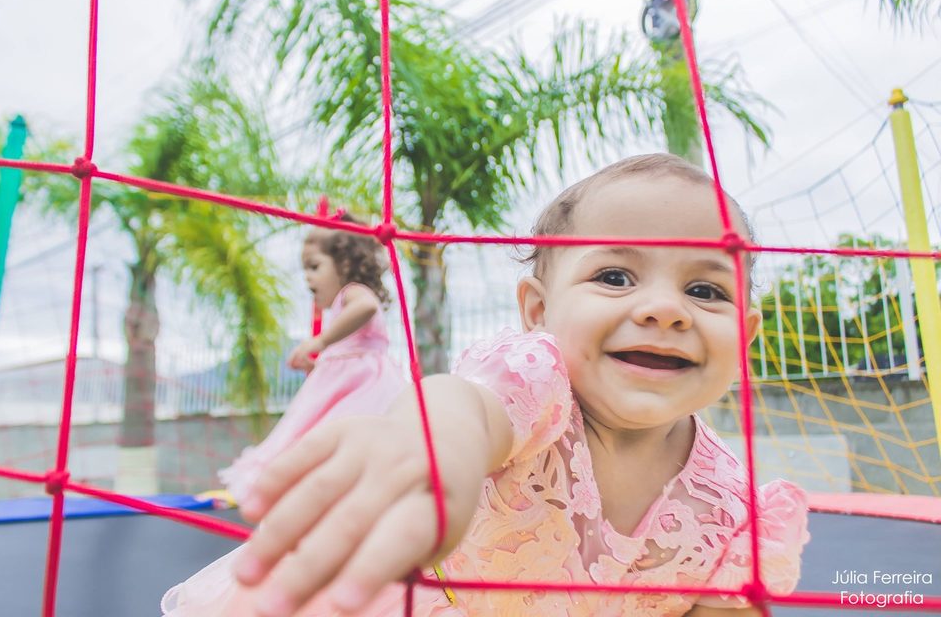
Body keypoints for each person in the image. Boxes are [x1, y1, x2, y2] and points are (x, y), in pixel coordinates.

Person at [210, 154, 812, 616]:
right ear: (537, 311)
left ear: (747, 332)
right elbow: (468, 405)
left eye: (705, 291)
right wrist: (435, 445)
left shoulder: (740, 510)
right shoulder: (538, 381)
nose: (664, 309)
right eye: (614, 275)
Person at [161, 213, 405, 616]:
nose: (307, 278)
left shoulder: (354, 293)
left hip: (361, 396)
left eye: (314, 266)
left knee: (325, 454)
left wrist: (321, 341)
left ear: (345, 262)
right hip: (352, 391)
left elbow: (363, 308)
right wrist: (327, 355)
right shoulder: (345, 309)